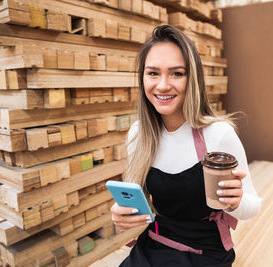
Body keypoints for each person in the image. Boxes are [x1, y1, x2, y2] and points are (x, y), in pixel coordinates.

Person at [110, 25, 262, 266]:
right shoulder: (138, 134)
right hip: (155, 241)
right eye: (153, 73)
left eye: (177, 73)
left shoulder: (219, 135)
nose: (162, 85)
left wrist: (236, 202)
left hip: (204, 253)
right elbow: (140, 203)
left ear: (193, 79)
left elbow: (253, 205)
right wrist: (121, 214)